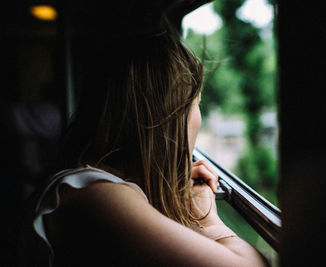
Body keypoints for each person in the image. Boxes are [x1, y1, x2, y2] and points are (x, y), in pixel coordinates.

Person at [20, 3, 269, 267]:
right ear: (169, 118)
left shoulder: (97, 188)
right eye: (197, 103)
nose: (199, 117)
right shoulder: (99, 195)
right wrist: (207, 219)